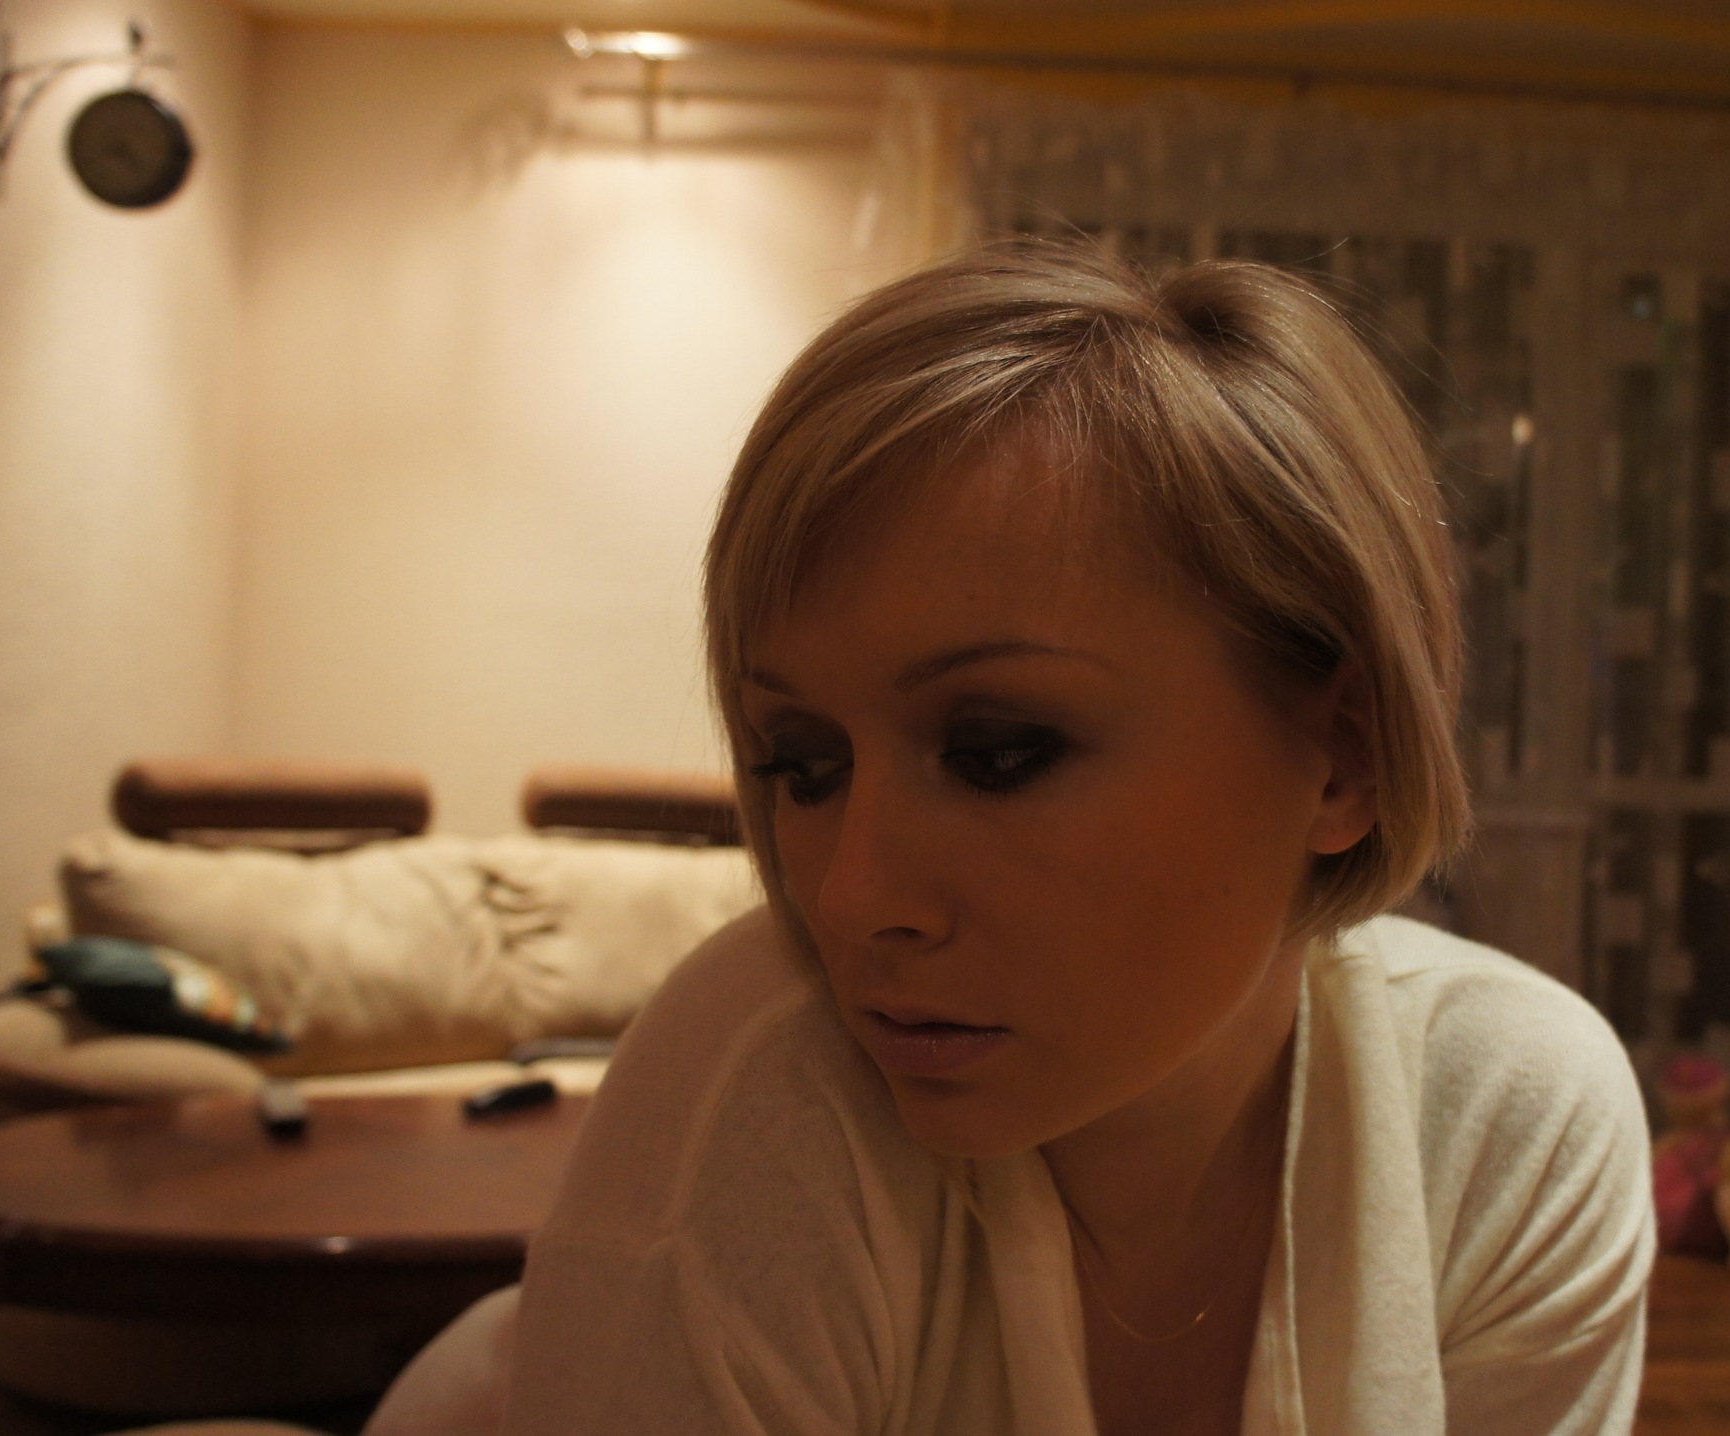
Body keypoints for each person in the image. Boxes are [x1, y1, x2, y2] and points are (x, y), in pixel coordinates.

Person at [501, 244, 1654, 1436]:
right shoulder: (763, 1093)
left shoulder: (1504, 1120)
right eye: (803, 764)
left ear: (1344, 752)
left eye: (1000, 751)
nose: (849, 895)